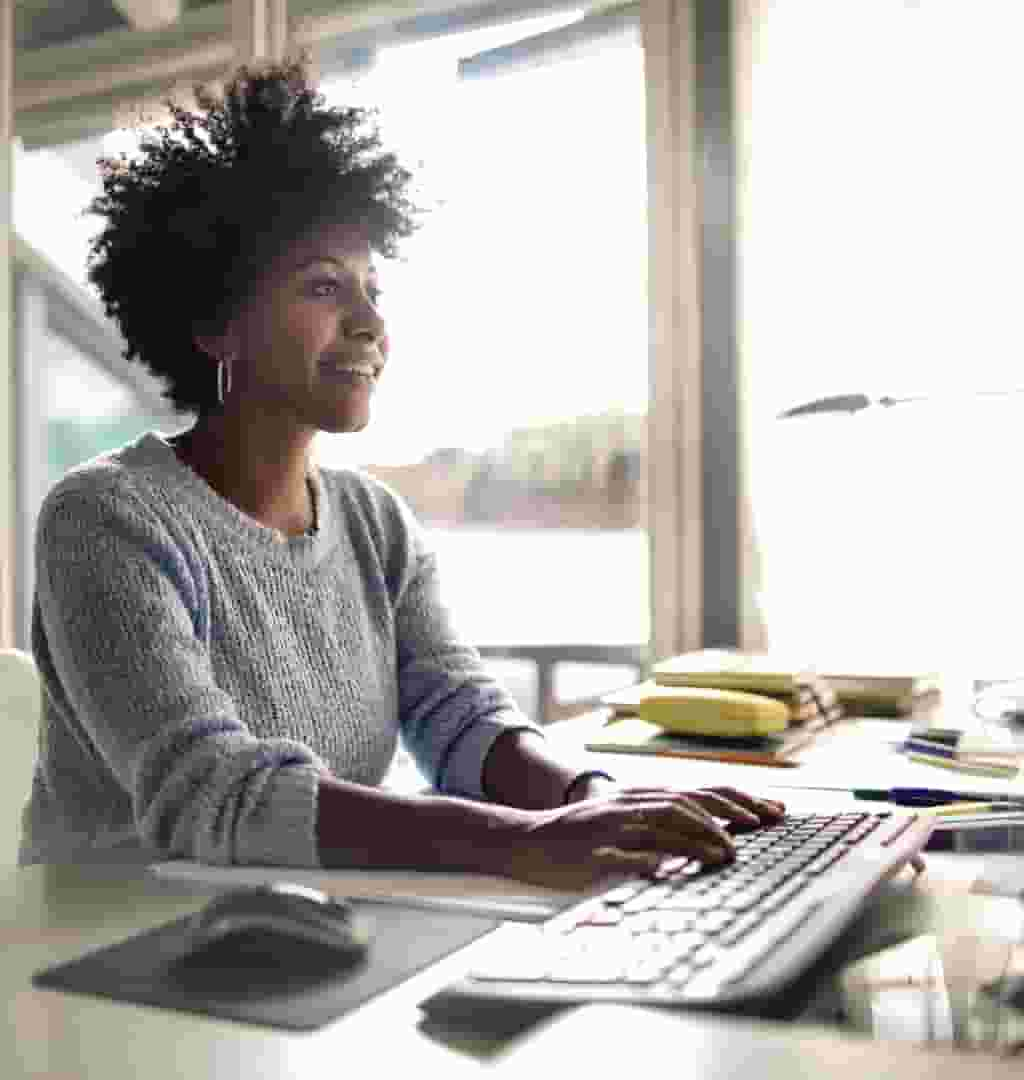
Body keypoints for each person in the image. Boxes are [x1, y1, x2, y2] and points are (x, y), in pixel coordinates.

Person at [21, 58, 784, 887]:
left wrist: (593, 798)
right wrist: (521, 843)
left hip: (305, 938)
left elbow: (462, 720)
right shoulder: (104, 519)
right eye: (324, 287)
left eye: (372, 290)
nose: (371, 323)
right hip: (98, 960)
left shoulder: (375, 523)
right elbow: (211, 794)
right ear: (214, 323)